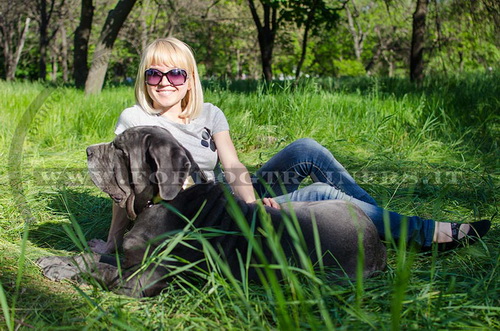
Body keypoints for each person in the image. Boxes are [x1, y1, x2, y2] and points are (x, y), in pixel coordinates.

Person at [87, 37, 490, 254]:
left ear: (189, 79)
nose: (164, 82)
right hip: (199, 213)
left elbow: (234, 166)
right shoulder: (134, 120)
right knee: (321, 193)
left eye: (175, 74)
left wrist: (249, 202)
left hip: (231, 194)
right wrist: (112, 239)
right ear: (144, 77)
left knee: (306, 149)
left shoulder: (209, 113)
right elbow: (125, 190)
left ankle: (379, 221)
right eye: (154, 73)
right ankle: (425, 234)